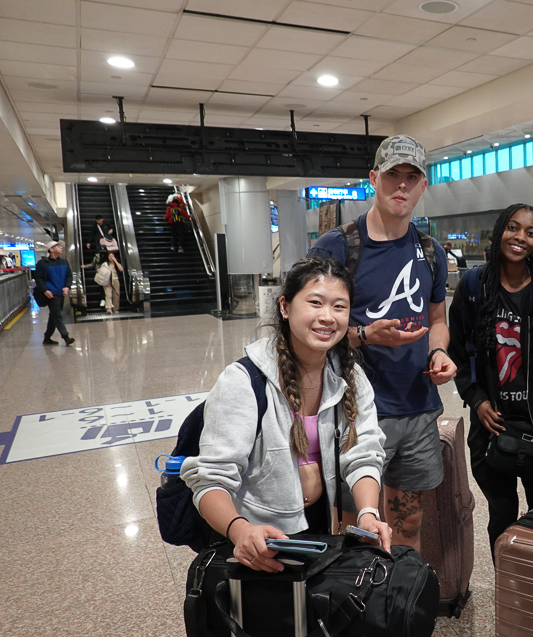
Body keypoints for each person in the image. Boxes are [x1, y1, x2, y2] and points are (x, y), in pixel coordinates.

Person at [181, 257, 392, 572]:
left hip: (319, 528)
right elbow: (211, 479)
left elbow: (364, 454)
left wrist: (367, 514)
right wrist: (240, 531)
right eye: (315, 303)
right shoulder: (244, 381)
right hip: (255, 540)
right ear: (285, 306)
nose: (327, 317)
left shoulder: (350, 376)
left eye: (339, 307)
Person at [307, 134, 456, 552]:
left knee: (409, 520)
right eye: (393, 175)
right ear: (374, 179)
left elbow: (437, 319)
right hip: (356, 411)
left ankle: (402, 587)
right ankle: (355, 590)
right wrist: (366, 335)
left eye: (412, 177)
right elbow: (308, 327)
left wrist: (439, 351)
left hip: (417, 407)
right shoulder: (337, 247)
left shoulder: (430, 252)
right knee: (356, 526)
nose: (402, 185)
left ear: (423, 185)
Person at [448, 203, 533, 557]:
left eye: (531, 233)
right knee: (501, 515)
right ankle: (508, 583)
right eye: (513, 228)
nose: (520, 238)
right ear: (500, 230)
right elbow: (458, 352)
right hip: (492, 428)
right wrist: (477, 400)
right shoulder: (474, 286)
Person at [34, 241, 75, 346]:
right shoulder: (42, 263)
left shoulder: (64, 262)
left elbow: (69, 276)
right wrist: (45, 290)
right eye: (57, 246)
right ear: (51, 249)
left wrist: (67, 286)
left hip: (61, 293)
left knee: (53, 316)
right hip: (51, 294)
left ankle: (47, 338)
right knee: (57, 315)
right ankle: (66, 337)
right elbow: (38, 278)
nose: (61, 248)